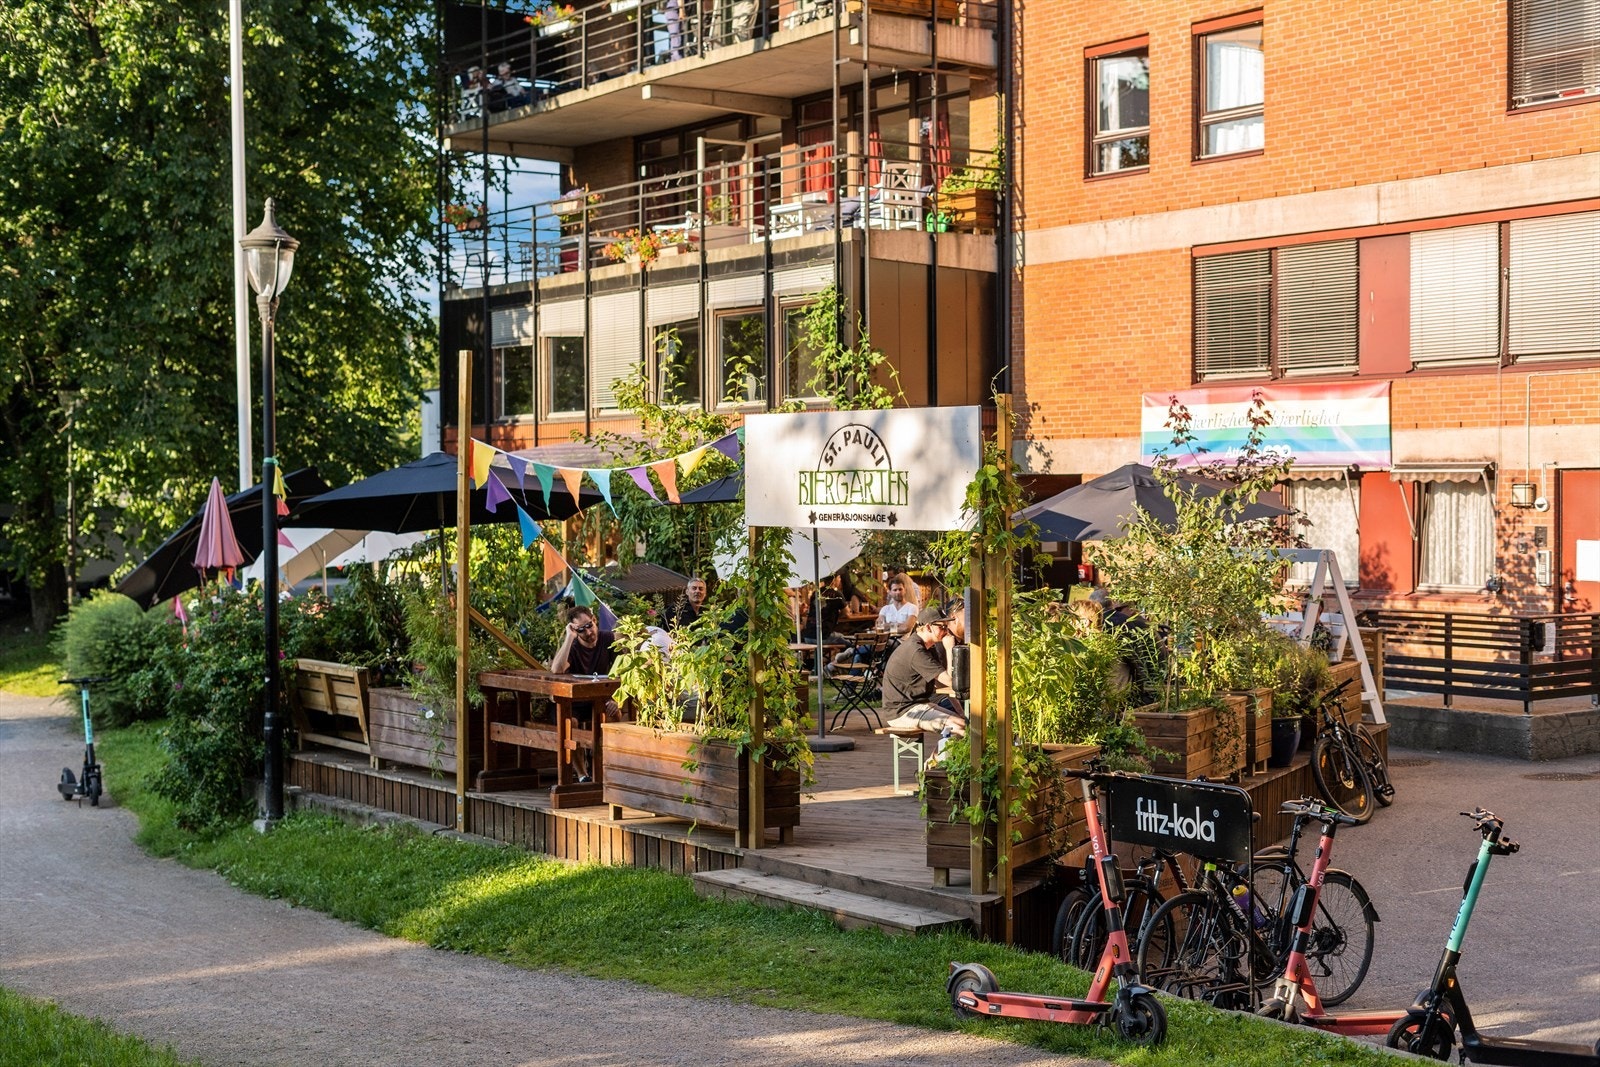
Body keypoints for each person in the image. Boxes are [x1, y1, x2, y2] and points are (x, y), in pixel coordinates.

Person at [880, 605, 964, 746]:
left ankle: (934, 758)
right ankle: (935, 759)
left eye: (946, 626)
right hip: (902, 712)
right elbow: (951, 681)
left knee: (964, 723)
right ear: (928, 627)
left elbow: (943, 686)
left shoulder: (928, 647)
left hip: (918, 705)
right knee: (959, 728)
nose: (946, 631)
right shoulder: (916, 651)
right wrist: (950, 649)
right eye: (942, 627)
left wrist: (960, 711)